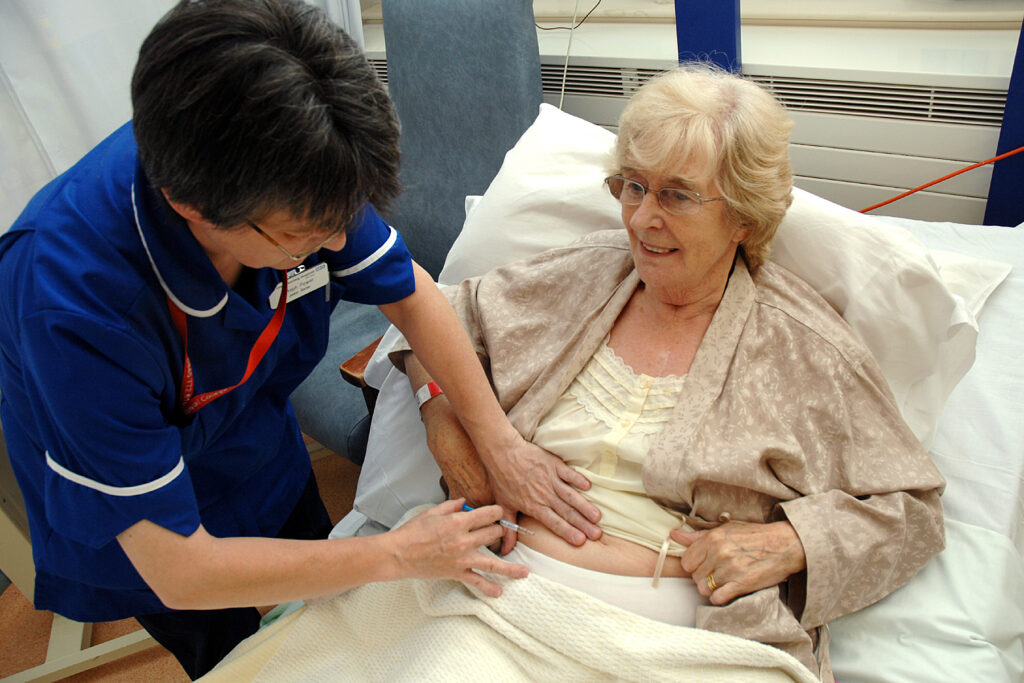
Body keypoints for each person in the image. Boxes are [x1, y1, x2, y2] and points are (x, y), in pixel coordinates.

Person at [0, 0, 558, 678]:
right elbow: (182, 568)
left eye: (340, 220)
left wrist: (496, 437)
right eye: (305, 235)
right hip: (153, 526)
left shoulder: (299, 165)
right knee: (253, 657)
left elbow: (408, 289)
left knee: (327, 610)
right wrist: (399, 554)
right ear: (189, 206)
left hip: (252, 439)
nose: (333, 244)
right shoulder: (77, 306)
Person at [394, 64, 945, 680]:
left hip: (691, 646)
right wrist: (449, 429)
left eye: (676, 196)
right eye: (632, 186)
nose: (640, 218)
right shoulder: (576, 278)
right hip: (500, 607)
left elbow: (913, 512)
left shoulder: (804, 346)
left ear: (744, 216)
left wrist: (791, 543)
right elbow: (431, 323)